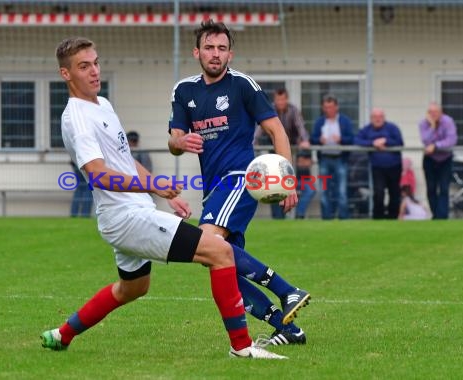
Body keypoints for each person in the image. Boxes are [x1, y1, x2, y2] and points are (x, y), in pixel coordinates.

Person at [40, 36, 291, 360]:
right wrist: (156, 186)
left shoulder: (102, 105)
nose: (94, 71)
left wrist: (163, 194)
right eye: (83, 66)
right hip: (125, 219)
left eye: (96, 63)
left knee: (132, 288)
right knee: (218, 251)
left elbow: (124, 160)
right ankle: (242, 347)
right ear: (66, 74)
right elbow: (99, 175)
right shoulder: (77, 118)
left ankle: (61, 334)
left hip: (132, 212)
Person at [167, 20, 310, 347]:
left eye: (221, 48)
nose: (215, 54)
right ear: (197, 52)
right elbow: (173, 140)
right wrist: (181, 142)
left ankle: (288, 291)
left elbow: (278, 132)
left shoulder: (242, 84)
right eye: (208, 48)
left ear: (230, 53)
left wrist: (287, 181)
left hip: (241, 178)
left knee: (202, 243)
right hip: (213, 190)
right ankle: (284, 325)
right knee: (220, 262)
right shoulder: (183, 90)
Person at [254, 88, 316, 219]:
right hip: (274, 154)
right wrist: (253, 143)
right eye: (278, 100)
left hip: (294, 154)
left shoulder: (293, 110)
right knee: (273, 187)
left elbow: (301, 127)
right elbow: (258, 130)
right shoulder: (269, 109)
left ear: (286, 99)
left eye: (283, 99)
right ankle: (278, 218)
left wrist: (305, 141)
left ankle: (299, 215)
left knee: (308, 188)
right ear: (274, 100)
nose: (280, 102)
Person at [310, 94, 355, 220]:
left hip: (340, 159)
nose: (328, 110)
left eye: (330, 107)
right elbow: (312, 138)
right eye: (325, 107)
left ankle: (343, 218)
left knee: (341, 190)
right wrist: (319, 140)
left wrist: (341, 139)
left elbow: (352, 138)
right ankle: (326, 218)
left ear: (336, 107)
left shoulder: (344, 121)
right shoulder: (320, 121)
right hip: (324, 159)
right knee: (324, 191)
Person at [355, 108, 404, 219]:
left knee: (394, 193)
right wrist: (373, 143)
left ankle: (393, 217)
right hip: (377, 167)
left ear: (384, 117)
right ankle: (378, 218)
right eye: (375, 117)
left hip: (394, 166)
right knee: (378, 192)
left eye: (380, 117)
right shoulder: (367, 130)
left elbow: (399, 142)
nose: (378, 119)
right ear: (371, 118)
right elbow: (357, 140)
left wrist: (385, 141)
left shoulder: (392, 128)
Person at [419, 102, 457, 219]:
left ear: (441, 112)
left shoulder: (448, 121)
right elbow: (425, 140)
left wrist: (435, 146)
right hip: (430, 159)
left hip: (445, 159)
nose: (433, 114)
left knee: (444, 188)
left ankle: (442, 216)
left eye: (436, 112)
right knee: (431, 188)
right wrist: (432, 126)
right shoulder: (423, 123)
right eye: (430, 112)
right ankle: (436, 215)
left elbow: (451, 140)